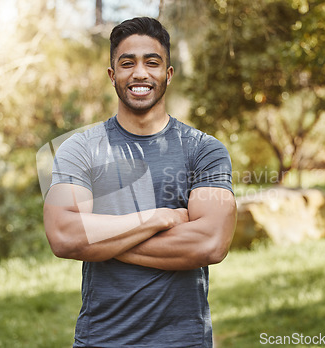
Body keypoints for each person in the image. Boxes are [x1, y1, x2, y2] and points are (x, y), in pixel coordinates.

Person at [43, 16, 237, 348]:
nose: (140, 73)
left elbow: (210, 243)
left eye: (152, 62)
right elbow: (64, 236)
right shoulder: (81, 149)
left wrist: (102, 241)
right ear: (112, 74)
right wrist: (157, 219)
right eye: (127, 63)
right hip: (101, 340)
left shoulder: (204, 150)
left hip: (184, 341)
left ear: (168, 74)